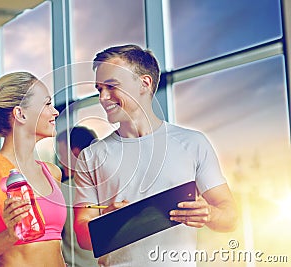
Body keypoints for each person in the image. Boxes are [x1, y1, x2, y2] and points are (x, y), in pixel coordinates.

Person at [73, 44, 238, 266]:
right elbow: (83, 238)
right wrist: (107, 221)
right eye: (99, 89)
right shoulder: (91, 156)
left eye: (111, 86)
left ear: (144, 83)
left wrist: (209, 213)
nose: (103, 97)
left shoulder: (192, 143)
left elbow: (230, 216)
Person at [0, 72, 67, 267]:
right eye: (47, 104)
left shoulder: (52, 173)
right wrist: (10, 235)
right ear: (20, 114)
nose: (55, 112)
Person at [57, 126, 99, 267]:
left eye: (61, 155)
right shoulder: (108, 183)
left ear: (75, 154)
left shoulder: (64, 189)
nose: (60, 163)